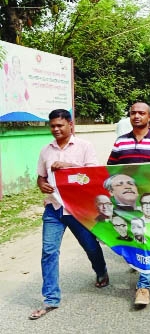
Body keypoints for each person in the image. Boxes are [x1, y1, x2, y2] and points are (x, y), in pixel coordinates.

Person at [29, 109, 108, 320]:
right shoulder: (46, 150)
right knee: (49, 251)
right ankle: (51, 299)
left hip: (78, 209)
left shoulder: (85, 147)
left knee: (90, 246)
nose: (55, 129)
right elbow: (40, 177)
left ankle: (101, 270)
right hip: (53, 208)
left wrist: (69, 166)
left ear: (70, 125)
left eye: (59, 125)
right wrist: (42, 185)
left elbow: (93, 177)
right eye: (52, 126)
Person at [107, 102, 150, 306]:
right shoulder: (120, 142)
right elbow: (110, 169)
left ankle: (143, 286)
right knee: (134, 239)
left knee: (146, 239)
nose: (137, 116)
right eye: (133, 113)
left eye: (141, 113)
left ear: (149, 116)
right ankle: (141, 267)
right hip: (126, 204)